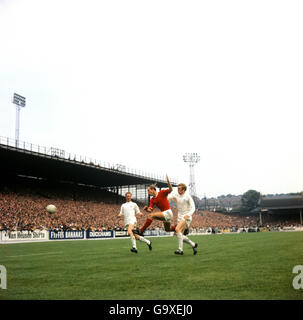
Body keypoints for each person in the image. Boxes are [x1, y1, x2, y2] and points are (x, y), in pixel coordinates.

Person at [168, 183, 198, 255]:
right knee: (179, 234)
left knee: (177, 229)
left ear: (183, 190)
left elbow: (193, 207)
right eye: (177, 188)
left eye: (179, 189)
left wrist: (188, 214)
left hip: (186, 217)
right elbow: (168, 198)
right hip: (179, 217)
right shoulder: (176, 195)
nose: (178, 190)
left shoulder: (188, 197)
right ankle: (193, 244)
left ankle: (180, 250)